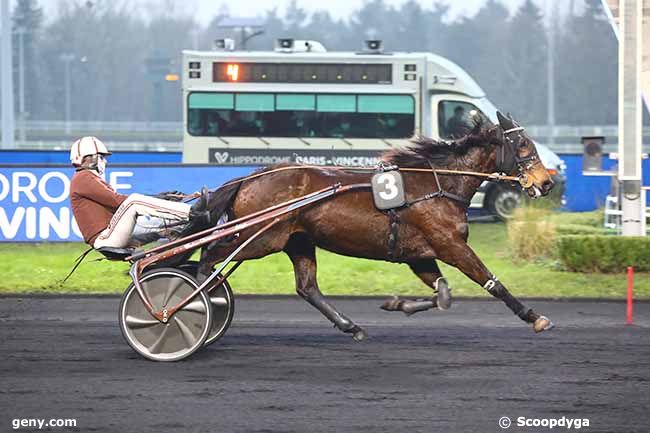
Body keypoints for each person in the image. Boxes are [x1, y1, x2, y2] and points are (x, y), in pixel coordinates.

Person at [68, 136, 210, 249]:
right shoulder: (83, 178)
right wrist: (158, 198)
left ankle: (197, 222)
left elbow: (118, 205)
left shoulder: (87, 178)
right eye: (102, 157)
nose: (105, 161)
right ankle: (193, 212)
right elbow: (119, 202)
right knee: (134, 202)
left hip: (112, 232)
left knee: (170, 222)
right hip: (105, 238)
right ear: (92, 158)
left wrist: (162, 199)